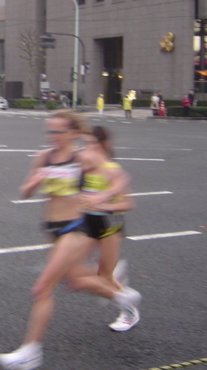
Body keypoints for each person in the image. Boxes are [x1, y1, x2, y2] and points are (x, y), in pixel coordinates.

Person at [0, 111, 140, 370]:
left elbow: (120, 179)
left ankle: (30, 352)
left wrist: (100, 198)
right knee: (75, 281)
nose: (53, 136)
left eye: (59, 131)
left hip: (76, 229)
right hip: (52, 228)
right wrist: (33, 183)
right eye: (50, 131)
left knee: (42, 288)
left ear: (73, 133)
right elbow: (24, 192)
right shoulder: (43, 157)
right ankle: (121, 296)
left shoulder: (83, 157)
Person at [69, 126, 138, 331]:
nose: (89, 148)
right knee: (73, 269)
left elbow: (128, 203)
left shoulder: (111, 169)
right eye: (86, 144)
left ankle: (129, 312)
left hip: (109, 225)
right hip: (87, 223)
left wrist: (102, 204)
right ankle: (116, 280)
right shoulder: (84, 167)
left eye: (93, 144)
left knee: (103, 277)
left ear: (104, 145)